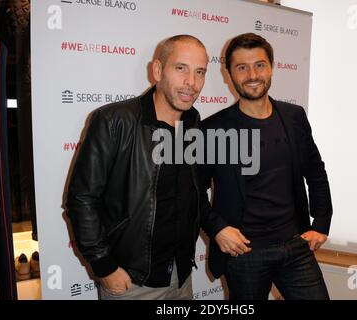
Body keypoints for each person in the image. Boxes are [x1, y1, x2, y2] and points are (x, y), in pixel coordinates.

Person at [66, 34, 209, 300]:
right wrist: (104, 266)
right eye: (181, 69)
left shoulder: (192, 122)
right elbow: (81, 198)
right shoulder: (113, 120)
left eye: (200, 72)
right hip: (132, 282)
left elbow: (194, 194)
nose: (192, 82)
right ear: (157, 70)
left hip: (181, 278)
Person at [201, 33, 333, 300]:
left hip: (295, 245)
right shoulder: (212, 130)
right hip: (245, 254)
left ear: (271, 67)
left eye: (259, 65)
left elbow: (316, 173)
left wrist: (321, 223)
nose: (252, 74)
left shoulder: (294, 117)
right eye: (242, 67)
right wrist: (217, 228)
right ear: (229, 75)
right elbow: (192, 192)